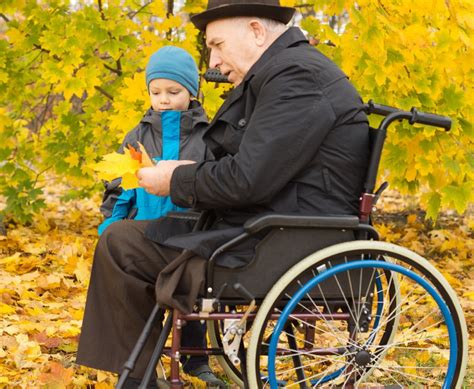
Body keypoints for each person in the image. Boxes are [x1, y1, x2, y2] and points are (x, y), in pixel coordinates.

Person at [77, 0, 370, 387]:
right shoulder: (285, 75)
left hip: (280, 243)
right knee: (129, 234)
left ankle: (139, 380)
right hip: (269, 228)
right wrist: (185, 172)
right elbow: (256, 166)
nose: (213, 61)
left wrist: (175, 181)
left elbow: (248, 179)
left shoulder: (297, 79)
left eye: (217, 45)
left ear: (255, 31)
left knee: (121, 244)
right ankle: (141, 374)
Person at [79, 46, 224, 387]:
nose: (164, 100)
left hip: (189, 231)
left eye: (174, 92)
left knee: (189, 304)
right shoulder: (139, 136)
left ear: (192, 92)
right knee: (138, 293)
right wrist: (112, 223)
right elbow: (120, 187)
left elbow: (217, 184)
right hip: (146, 228)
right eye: (156, 92)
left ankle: (195, 358)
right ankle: (144, 361)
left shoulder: (207, 137)